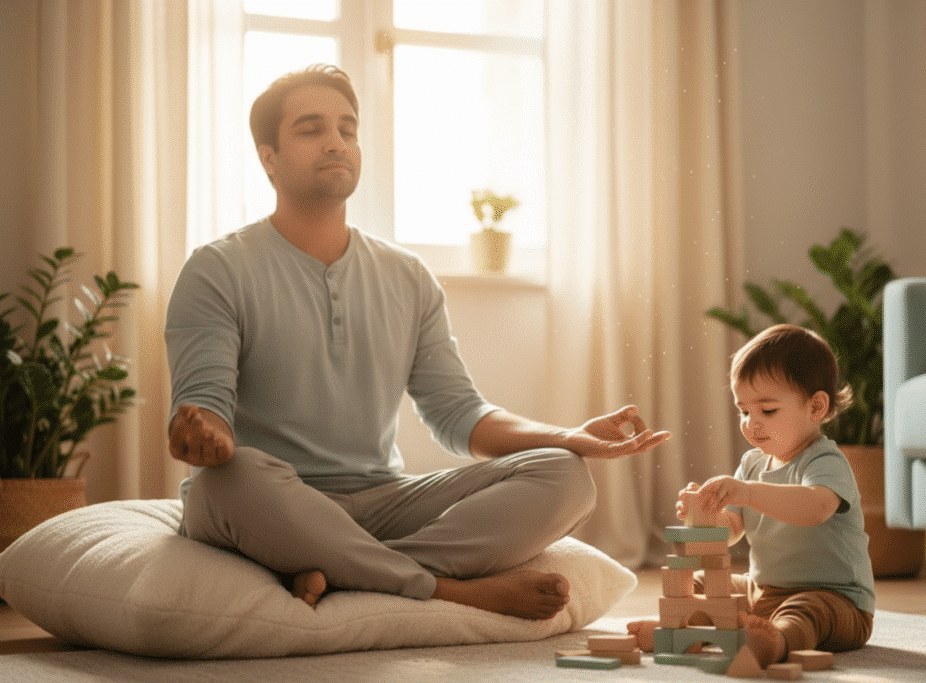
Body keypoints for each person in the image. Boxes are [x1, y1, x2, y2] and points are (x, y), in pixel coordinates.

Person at [165, 64, 671, 620]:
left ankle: (347, 573)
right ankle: (447, 590)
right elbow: (204, 408)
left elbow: (459, 416)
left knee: (563, 474)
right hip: (277, 497)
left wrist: (570, 436)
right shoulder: (216, 269)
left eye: (347, 129)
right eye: (311, 129)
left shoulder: (407, 275)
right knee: (226, 483)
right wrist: (203, 435)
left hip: (382, 501)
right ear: (269, 158)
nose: (336, 142)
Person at [627, 324, 874, 666]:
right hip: (762, 592)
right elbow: (733, 528)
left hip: (836, 599)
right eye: (744, 410)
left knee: (806, 612)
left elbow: (814, 507)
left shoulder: (825, 461)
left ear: (816, 408)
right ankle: (684, 628)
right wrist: (706, 516)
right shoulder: (752, 462)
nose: (751, 423)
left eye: (767, 410)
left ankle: (776, 641)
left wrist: (749, 492)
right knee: (700, 581)